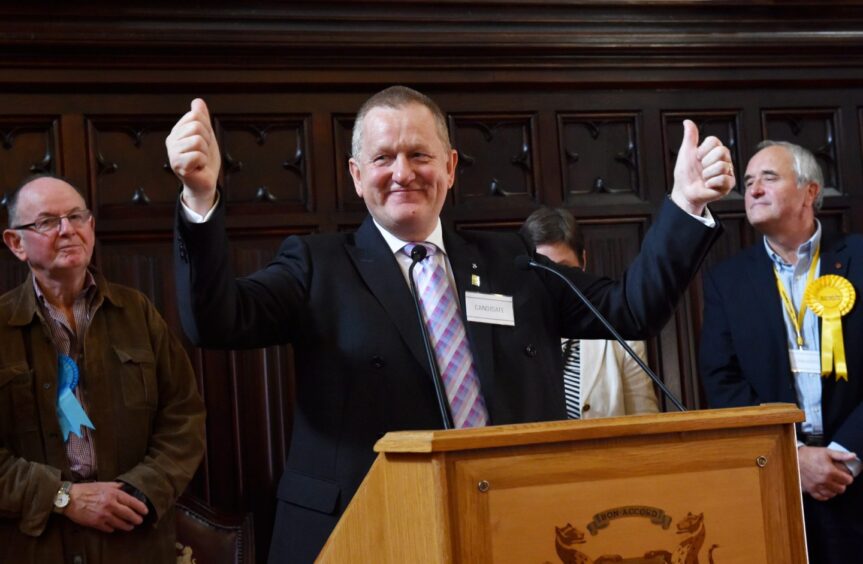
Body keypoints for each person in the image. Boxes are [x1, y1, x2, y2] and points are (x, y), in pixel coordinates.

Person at [166, 85, 733, 562]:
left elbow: (629, 309)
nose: (402, 172)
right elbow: (217, 320)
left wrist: (684, 203)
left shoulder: (511, 264)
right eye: (384, 158)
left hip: (508, 525)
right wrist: (200, 195)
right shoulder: (317, 266)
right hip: (366, 531)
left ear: (451, 167)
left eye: (420, 155)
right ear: (357, 175)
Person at [0, 175, 206, 563]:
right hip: (35, 544)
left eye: (77, 217)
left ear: (91, 226)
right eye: (47, 222)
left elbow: (184, 418)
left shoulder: (137, 313)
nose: (68, 230)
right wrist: (61, 497)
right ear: (16, 243)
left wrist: (138, 491)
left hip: (132, 539)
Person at [699, 141, 863, 563]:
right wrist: (793, 457)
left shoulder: (860, 258)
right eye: (748, 182)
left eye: (768, 178)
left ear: (810, 191)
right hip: (776, 480)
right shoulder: (727, 282)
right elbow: (722, 382)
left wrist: (846, 457)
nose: (752, 190)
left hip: (858, 474)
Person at [521, 207, 659, 418]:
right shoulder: (510, 333)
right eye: (543, 271)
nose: (553, 284)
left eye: (564, 269)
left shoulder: (619, 337)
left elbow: (646, 421)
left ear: (583, 262)